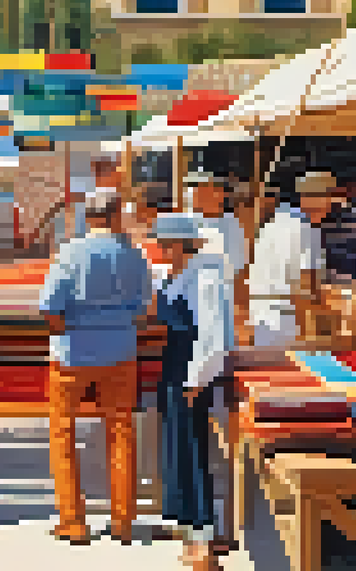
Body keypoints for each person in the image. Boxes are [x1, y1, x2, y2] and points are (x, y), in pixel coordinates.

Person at [38, 190, 153, 546]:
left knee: (63, 434)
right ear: (116, 215)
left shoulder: (71, 252)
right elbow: (144, 308)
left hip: (73, 353)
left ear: (88, 217)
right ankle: (123, 521)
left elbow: (49, 305)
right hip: (120, 351)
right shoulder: (133, 254)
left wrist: (68, 331)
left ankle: (73, 522)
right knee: (121, 433)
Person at [150, 213, 233, 571]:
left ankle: (204, 539)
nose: (161, 250)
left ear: (182, 246)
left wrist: (197, 379)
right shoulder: (175, 276)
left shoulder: (205, 279)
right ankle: (185, 524)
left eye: (166, 245)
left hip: (190, 369)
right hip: (174, 365)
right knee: (177, 446)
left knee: (194, 449)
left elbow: (214, 336)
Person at [246, 171, 331, 347]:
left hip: (260, 319)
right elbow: (305, 286)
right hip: (287, 322)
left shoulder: (272, 225)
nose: (329, 206)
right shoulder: (306, 229)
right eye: (327, 198)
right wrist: (315, 332)